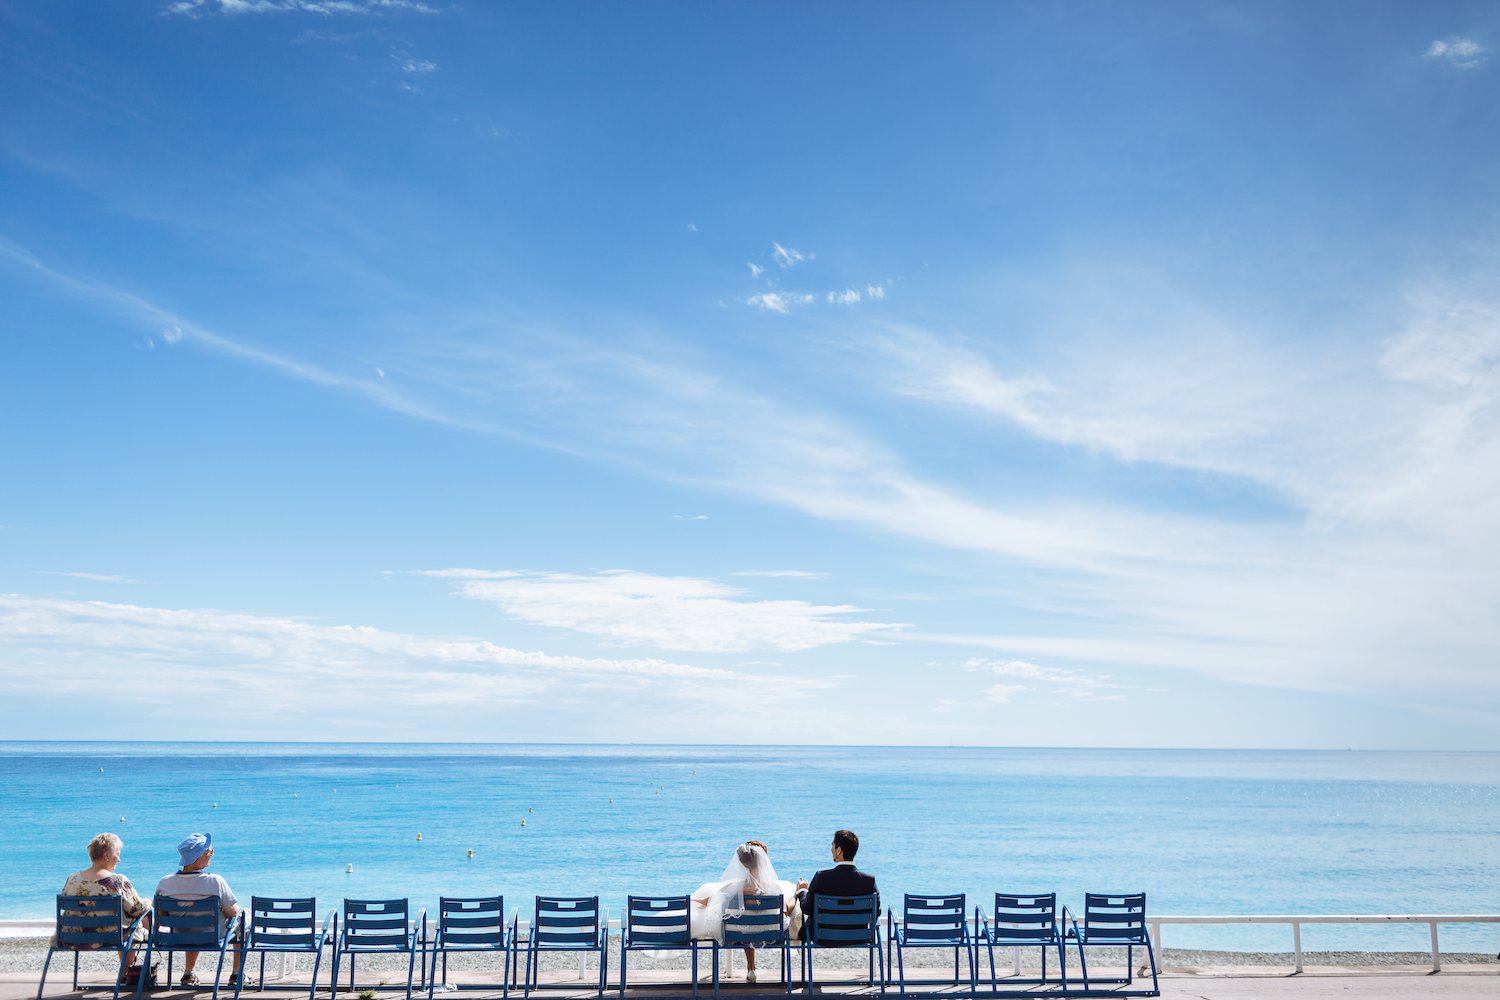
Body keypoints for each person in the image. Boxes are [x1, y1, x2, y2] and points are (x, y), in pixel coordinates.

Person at [690, 841, 796, 983]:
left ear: (741, 863)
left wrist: (692, 900)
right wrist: (796, 894)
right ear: (763, 862)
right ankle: (751, 968)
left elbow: (710, 900)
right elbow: (787, 910)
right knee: (754, 919)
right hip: (769, 932)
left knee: (745, 920)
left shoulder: (735, 888)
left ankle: (751, 968)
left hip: (739, 932)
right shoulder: (773, 888)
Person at [57, 833, 153, 984]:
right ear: (107, 856)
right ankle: (125, 973)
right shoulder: (117, 881)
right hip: (108, 937)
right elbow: (137, 909)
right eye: (118, 854)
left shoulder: (73, 879)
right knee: (135, 924)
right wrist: (148, 902)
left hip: (73, 936)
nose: (119, 859)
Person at [154, 832, 244, 987]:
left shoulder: (165, 883)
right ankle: (237, 974)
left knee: (191, 921)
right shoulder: (215, 881)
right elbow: (233, 913)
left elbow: (161, 915)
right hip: (211, 935)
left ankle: (189, 974)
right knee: (243, 917)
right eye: (210, 852)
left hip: (180, 935)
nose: (212, 855)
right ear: (197, 857)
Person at [794, 829, 877, 942]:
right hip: (859, 936)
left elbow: (807, 909)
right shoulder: (869, 880)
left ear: (839, 851)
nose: (831, 850)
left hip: (824, 936)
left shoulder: (821, 878)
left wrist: (802, 892)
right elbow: (877, 911)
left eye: (832, 846)